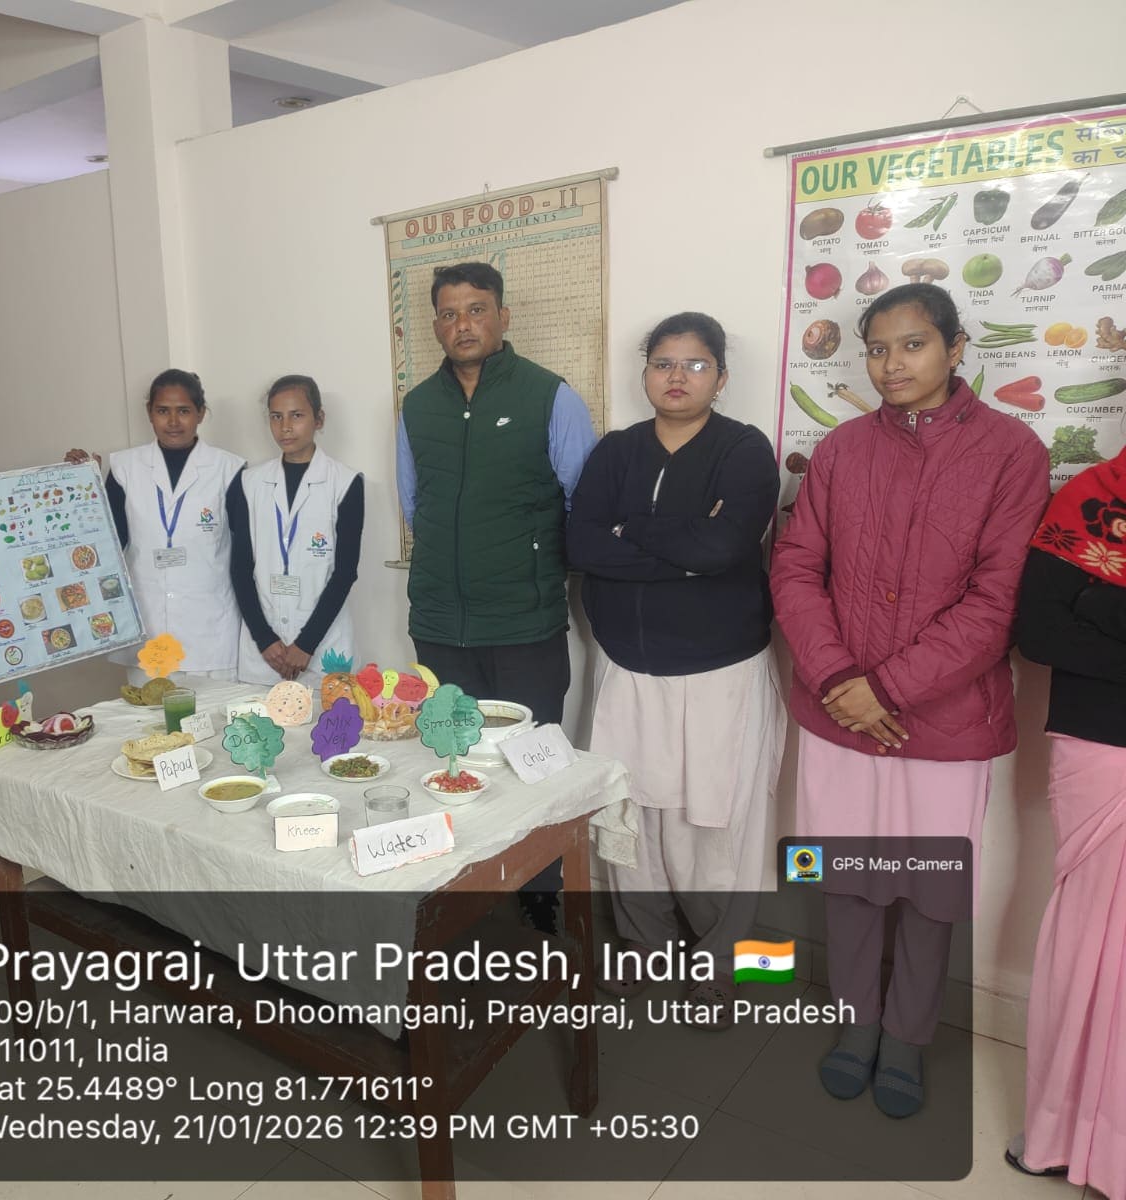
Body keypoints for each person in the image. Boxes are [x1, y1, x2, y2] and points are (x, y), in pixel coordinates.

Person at [770, 283, 1050, 1116]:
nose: (892, 364)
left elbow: (997, 602)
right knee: (850, 881)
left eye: (914, 344)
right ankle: (855, 1024)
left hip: (946, 720)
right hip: (837, 716)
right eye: (878, 348)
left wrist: (885, 688)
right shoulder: (842, 449)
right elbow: (795, 569)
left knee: (929, 890)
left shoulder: (1012, 452)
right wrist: (838, 681)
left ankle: (907, 1037)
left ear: (957, 349)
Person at [567, 313, 782, 1025]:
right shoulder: (616, 451)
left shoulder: (743, 450)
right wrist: (682, 548)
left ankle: (725, 961)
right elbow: (582, 544)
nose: (677, 377)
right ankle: (643, 942)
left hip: (719, 672)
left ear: (721, 377)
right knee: (631, 812)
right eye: (663, 363)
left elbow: (723, 547)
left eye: (695, 364)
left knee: (716, 822)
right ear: (645, 374)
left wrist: (631, 532)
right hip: (627, 669)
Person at [397, 262, 596, 724]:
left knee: (530, 755)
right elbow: (414, 505)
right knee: (452, 756)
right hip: (439, 627)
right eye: (449, 315)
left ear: (503, 317)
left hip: (524, 628)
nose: (463, 325)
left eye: (476, 310)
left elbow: (582, 504)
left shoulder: (550, 396)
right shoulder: (418, 406)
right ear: (436, 327)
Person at [1005, 445, 1126, 1194]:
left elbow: (1078, 621)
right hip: (1100, 745)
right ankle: (1060, 1133)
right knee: (1087, 943)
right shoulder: (1092, 496)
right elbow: (1043, 633)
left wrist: (1101, 605)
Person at [66, 369, 244, 680]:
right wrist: (84, 489)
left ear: (201, 413)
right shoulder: (124, 467)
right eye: (163, 411)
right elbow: (108, 543)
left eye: (183, 411)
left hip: (210, 630)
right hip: (147, 628)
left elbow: (245, 554)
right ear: (150, 413)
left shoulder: (228, 469)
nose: (173, 421)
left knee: (213, 711)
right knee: (148, 710)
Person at [226, 375, 364, 685]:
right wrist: (264, 639)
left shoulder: (345, 483)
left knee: (326, 714)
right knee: (259, 715)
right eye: (276, 416)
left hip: (323, 645)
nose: (285, 427)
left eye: (296, 415)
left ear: (319, 419)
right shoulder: (249, 483)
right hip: (265, 650)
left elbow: (345, 573)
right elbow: (240, 568)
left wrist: (306, 644)